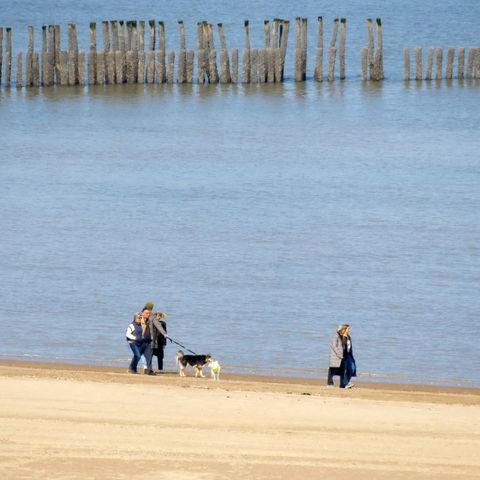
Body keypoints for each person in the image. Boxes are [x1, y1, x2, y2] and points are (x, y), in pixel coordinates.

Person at [327, 324, 356, 389]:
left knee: (348, 369)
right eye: (348, 329)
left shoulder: (348, 337)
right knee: (332, 370)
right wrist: (339, 355)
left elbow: (348, 348)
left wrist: (351, 356)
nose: (349, 330)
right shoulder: (337, 336)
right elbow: (334, 346)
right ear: (344, 329)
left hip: (345, 356)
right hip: (336, 356)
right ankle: (330, 383)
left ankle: (344, 384)